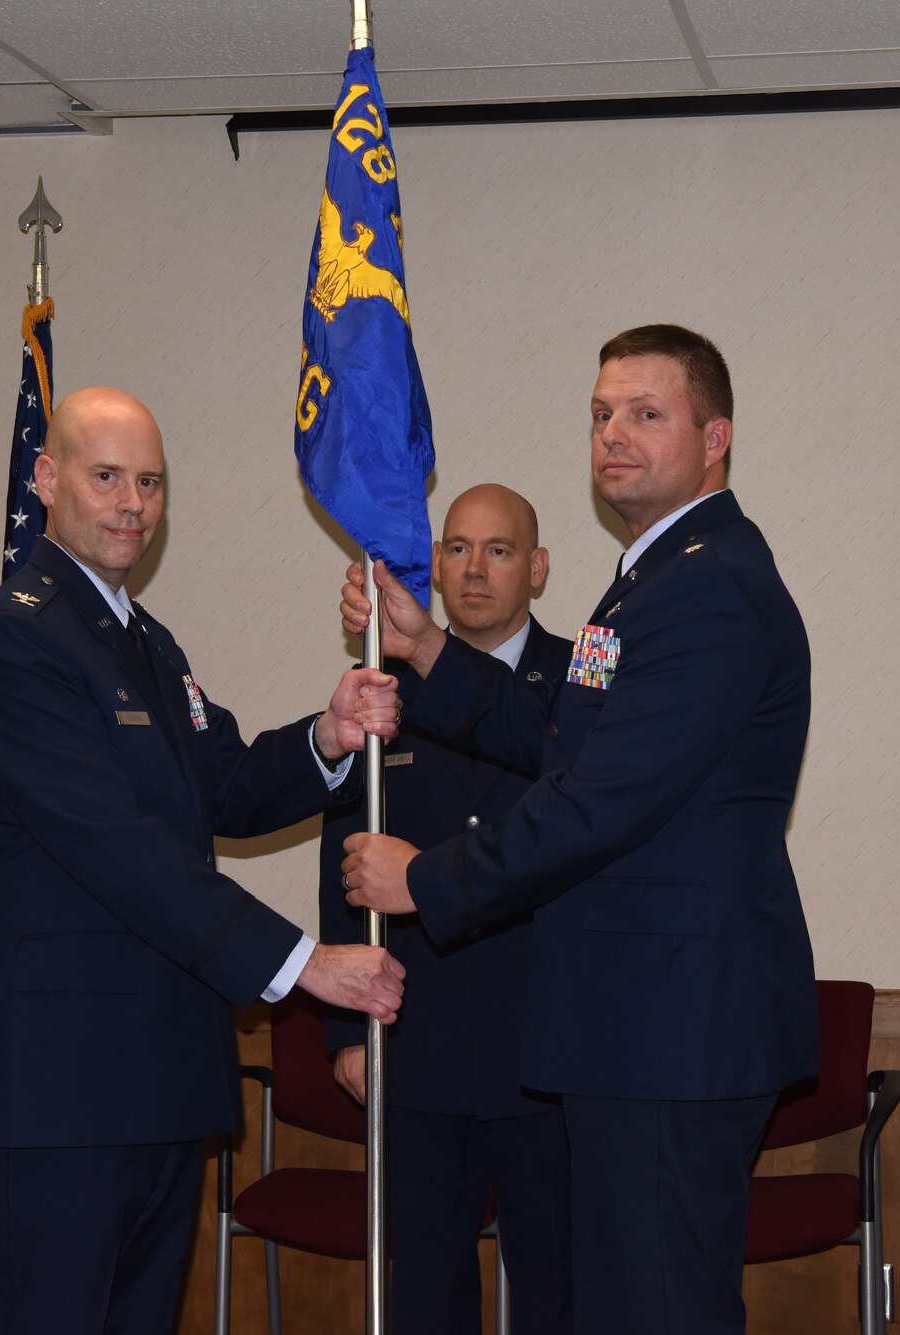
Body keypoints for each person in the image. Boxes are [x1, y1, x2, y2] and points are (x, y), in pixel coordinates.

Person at [338, 326, 818, 1335]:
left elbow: (600, 800)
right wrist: (427, 650)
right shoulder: (651, 577)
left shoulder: (705, 589)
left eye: (647, 414)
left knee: (655, 1309)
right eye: (602, 414)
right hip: (635, 1026)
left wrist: (426, 880)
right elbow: (557, 736)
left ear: (714, 435)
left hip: (670, 1028)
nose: (614, 436)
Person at [0, 386, 408, 1335]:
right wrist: (305, 964)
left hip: (157, 1080)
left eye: (148, 482)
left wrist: (327, 734)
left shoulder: (144, 640)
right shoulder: (15, 640)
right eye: (106, 476)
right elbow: (120, 850)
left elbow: (225, 784)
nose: (131, 504)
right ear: (46, 478)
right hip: (60, 1097)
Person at [320, 483, 574, 1335]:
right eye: (458, 548)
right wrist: (345, 1029)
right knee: (425, 1288)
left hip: (546, 1044)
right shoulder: (380, 691)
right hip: (417, 1040)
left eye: (499, 550)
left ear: (536, 568)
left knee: (554, 1286)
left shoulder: (576, 688)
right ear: (432, 565)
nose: (474, 569)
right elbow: (343, 860)